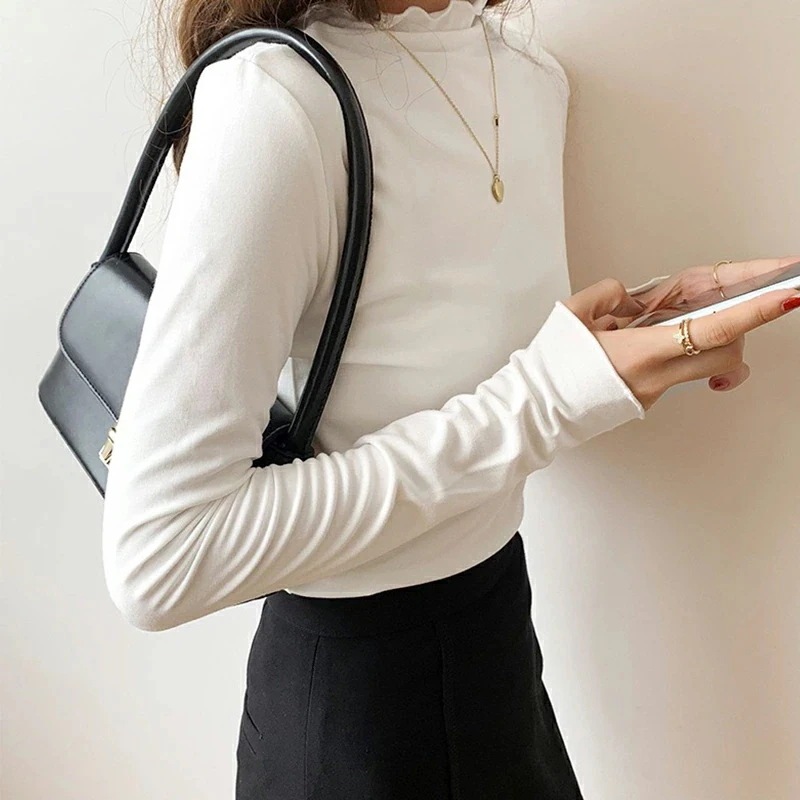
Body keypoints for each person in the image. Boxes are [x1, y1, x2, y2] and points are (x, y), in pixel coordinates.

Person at [100, 0, 800, 796]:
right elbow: (163, 558)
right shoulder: (277, 99)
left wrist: (644, 330)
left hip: (499, 637)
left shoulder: (529, 78)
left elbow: (468, 367)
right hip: (355, 712)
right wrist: (554, 396)